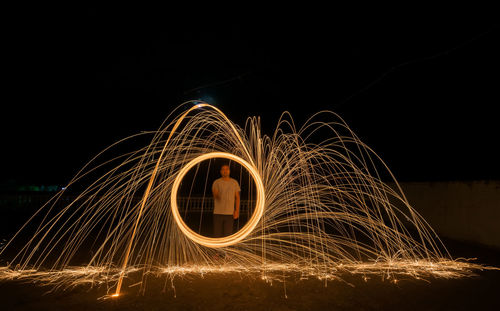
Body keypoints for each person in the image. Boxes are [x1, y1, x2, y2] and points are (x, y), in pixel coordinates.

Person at [211, 164, 240, 238]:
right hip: (218, 212)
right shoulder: (216, 182)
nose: (225, 171)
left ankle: (226, 249)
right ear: (221, 172)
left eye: (227, 169)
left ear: (229, 171)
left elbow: (237, 197)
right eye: (223, 169)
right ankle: (217, 249)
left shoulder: (234, 182)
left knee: (228, 235)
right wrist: (216, 195)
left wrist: (237, 210)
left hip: (230, 213)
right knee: (217, 235)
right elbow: (214, 195)